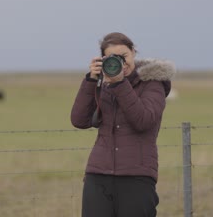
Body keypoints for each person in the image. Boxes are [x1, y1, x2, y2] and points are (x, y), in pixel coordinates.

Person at [71, 32, 175, 217]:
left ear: (133, 52)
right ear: (103, 59)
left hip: (137, 175)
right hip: (99, 173)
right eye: (113, 58)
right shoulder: (103, 84)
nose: (121, 63)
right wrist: (91, 81)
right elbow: (79, 120)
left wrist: (119, 84)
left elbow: (143, 121)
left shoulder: (152, 84)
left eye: (124, 56)